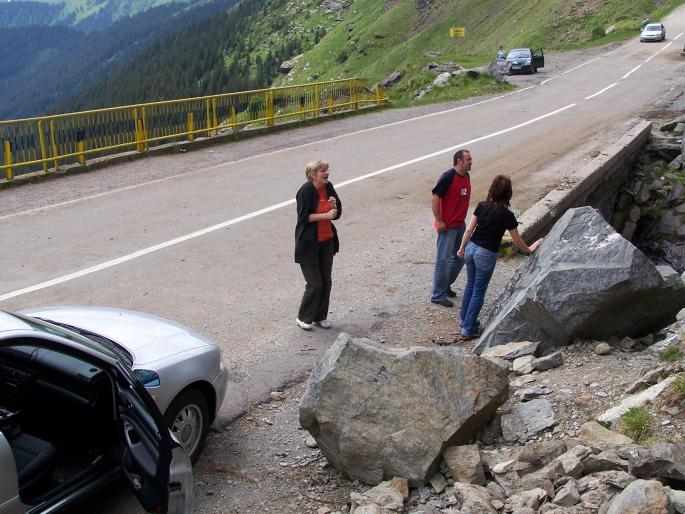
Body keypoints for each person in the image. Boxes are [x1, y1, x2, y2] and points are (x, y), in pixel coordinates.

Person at [456, 175, 541, 339]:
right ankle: (468, 328)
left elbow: (469, 230)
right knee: (478, 291)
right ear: (508, 193)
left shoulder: (481, 206)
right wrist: (529, 249)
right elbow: (517, 240)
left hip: (471, 248)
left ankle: (463, 319)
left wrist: (461, 248)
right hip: (486, 253)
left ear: (492, 189)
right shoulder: (507, 215)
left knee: (470, 285)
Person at [294, 160, 342, 330]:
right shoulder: (306, 191)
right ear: (313, 175)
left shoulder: (328, 187)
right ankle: (303, 317)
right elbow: (304, 217)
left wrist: (334, 208)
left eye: (327, 169)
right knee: (315, 283)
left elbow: (337, 213)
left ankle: (320, 317)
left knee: (326, 282)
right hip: (308, 245)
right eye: (323, 170)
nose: (327, 172)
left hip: (327, 241)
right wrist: (326, 215)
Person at [430, 150, 472, 307]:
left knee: (462, 257)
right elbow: (435, 197)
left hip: (460, 225)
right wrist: (439, 221)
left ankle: (445, 286)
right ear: (459, 161)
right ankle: (437, 294)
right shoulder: (448, 177)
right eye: (468, 159)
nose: (471, 161)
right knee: (443, 260)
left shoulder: (466, 176)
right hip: (447, 227)